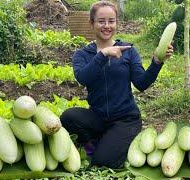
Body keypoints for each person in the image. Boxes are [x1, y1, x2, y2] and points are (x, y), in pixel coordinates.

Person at [60, 1, 173, 169]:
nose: (107, 26)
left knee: (102, 162)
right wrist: (103, 55)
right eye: (101, 21)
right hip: (97, 117)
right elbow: (83, 78)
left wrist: (157, 62)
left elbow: (141, 83)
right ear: (92, 23)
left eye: (111, 21)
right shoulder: (82, 55)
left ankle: (113, 142)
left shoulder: (128, 50)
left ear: (116, 23)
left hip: (125, 119)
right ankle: (98, 143)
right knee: (68, 117)